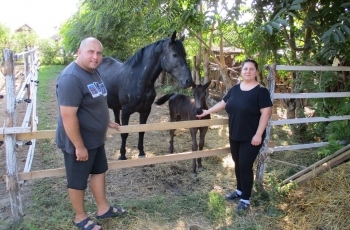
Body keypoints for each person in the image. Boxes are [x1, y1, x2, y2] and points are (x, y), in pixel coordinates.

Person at [56, 37, 126, 230]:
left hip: (95, 139)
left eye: (99, 53)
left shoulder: (93, 72)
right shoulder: (71, 78)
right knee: (78, 180)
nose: (95, 57)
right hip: (79, 141)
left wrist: (106, 121)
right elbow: (68, 116)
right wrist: (79, 146)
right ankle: (80, 218)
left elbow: (96, 101)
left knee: (98, 171)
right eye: (90, 52)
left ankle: (103, 209)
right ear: (79, 52)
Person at [197, 59, 272, 213]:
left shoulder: (261, 91)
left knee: (245, 165)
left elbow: (266, 113)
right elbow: (223, 103)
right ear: (242, 71)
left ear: (256, 72)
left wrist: (258, 134)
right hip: (235, 134)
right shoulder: (235, 89)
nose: (248, 71)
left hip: (252, 136)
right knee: (237, 163)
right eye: (245, 69)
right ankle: (239, 191)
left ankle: (245, 199)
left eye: (251, 69)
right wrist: (207, 112)